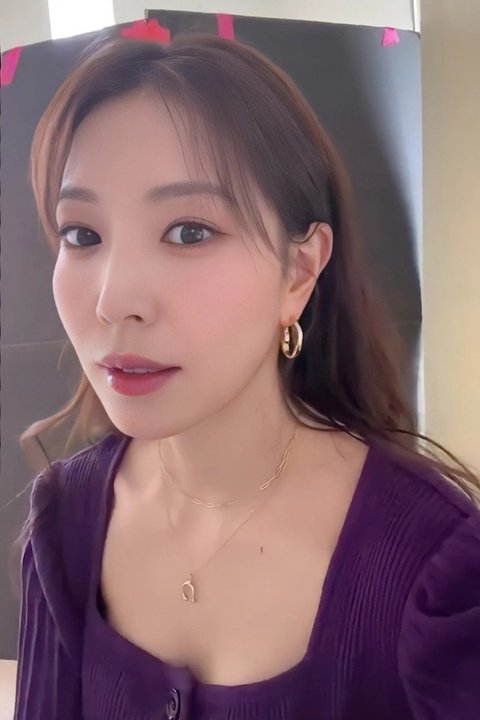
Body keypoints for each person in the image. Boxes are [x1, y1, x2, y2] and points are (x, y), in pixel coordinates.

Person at [12, 30, 480, 720]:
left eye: (189, 232)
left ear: (299, 271)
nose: (114, 300)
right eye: (82, 235)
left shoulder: (436, 567)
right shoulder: (67, 523)